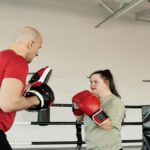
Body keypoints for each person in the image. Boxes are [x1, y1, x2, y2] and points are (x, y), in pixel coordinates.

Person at [0, 26, 54, 150]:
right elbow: (8, 104)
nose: (38, 54)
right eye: (38, 48)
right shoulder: (17, 61)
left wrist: (26, 89)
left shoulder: (2, 57)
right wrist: (36, 99)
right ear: (31, 44)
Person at [72, 69, 125, 150]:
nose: (92, 85)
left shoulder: (115, 102)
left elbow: (108, 126)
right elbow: (79, 119)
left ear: (107, 83)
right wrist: (76, 105)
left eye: (96, 82)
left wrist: (94, 110)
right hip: (92, 147)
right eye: (91, 82)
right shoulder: (91, 100)